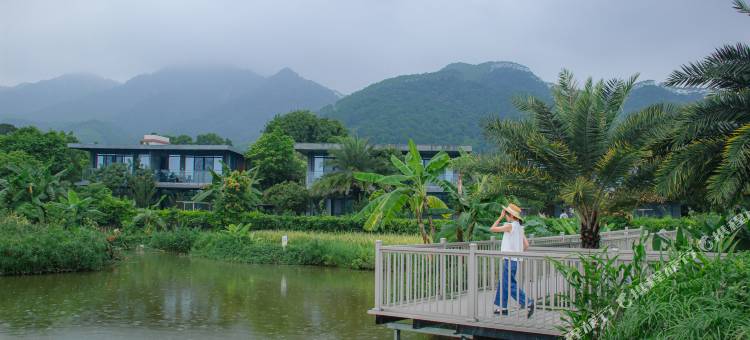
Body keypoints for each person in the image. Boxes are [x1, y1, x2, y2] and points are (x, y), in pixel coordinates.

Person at [490, 203, 535, 318]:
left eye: (506, 214)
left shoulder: (510, 226)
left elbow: (492, 229)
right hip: (515, 260)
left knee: (509, 284)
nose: (505, 216)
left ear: (510, 215)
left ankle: (527, 302)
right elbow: (526, 245)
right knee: (503, 282)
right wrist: (517, 251)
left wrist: (499, 217)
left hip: (509, 259)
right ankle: (502, 307)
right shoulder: (520, 228)